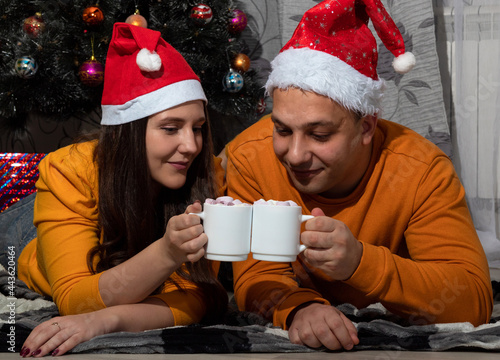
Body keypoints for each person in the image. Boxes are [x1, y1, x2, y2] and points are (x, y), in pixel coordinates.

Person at [225, 0, 493, 352]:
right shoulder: (250, 156)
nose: (294, 155)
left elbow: (471, 300)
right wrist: (299, 308)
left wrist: (360, 263)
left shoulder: (421, 170)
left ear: (366, 127)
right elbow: (256, 276)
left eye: (319, 135)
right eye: (282, 130)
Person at [2, 22, 228, 357]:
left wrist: (106, 321)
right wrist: (167, 253)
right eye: (170, 128)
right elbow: (74, 299)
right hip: (28, 232)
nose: (191, 145)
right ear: (131, 132)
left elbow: (199, 297)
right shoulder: (69, 170)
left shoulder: (207, 174)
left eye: (197, 128)